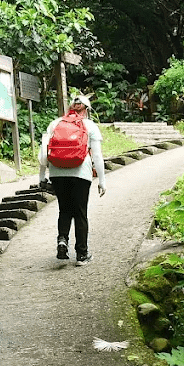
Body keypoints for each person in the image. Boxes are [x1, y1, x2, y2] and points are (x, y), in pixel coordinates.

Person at [38, 93, 107, 266]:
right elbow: (97, 156)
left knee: (64, 210)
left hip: (57, 173)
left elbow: (44, 152)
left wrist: (42, 177)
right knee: (80, 213)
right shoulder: (90, 125)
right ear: (87, 110)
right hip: (80, 173)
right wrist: (102, 181)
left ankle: (62, 240)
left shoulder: (55, 124)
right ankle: (82, 255)